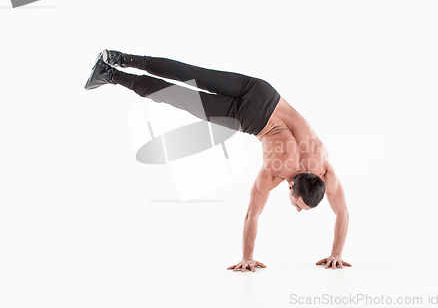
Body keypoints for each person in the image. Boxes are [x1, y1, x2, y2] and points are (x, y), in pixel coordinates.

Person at [85, 50, 351, 272]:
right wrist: (247, 257)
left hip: (264, 92)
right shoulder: (276, 173)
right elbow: (252, 213)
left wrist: (336, 251)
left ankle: (119, 57)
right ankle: (109, 74)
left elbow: (343, 213)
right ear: (293, 187)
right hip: (248, 116)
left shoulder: (323, 165)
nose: (295, 208)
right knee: (178, 96)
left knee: (191, 73)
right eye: (298, 205)